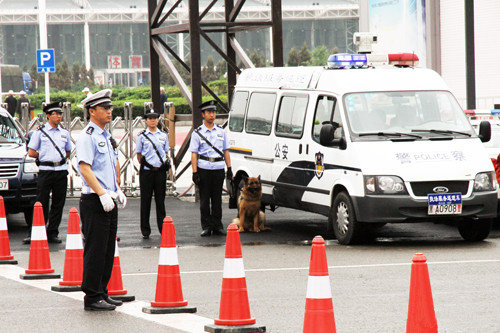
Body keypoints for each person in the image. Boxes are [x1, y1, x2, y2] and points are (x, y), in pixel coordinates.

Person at [76, 89, 127, 311]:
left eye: (110, 108)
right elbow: (85, 168)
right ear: (92, 111)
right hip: (95, 200)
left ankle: (102, 292)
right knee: (95, 249)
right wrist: (102, 193)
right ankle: (92, 296)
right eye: (105, 108)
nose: (109, 111)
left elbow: (109, 166)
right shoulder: (87, 136)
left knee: (107, 249)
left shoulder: (105, 135)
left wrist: (117, 190)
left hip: (109, 198)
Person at [24, 102, 72, 244]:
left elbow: (68, 151)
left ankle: (53, 232)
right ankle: (35, 232)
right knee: (41, 203)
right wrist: (44, 156)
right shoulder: (40, 132)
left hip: (61, 171)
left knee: (58, 203)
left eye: (60, 114)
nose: (59, 116)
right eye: (55, 114)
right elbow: (31, 152)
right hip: (45, 171)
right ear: (48, 116)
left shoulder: (65, 133)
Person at [189, 100, 232, 237]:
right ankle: (206, 226)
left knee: (217, 199)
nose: (212, 115)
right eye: (209, 112)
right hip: (204, 168)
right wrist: (194, 172)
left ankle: (217, 225)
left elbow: (226, 151)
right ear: (203, 114)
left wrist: (229, 168)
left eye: (213, 112)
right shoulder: (197, 133)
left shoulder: (221, 131)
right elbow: (194, 154)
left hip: (218, 168)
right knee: (204, 200)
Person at [135, 109, 169, 239]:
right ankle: (145, 230)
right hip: (147, 173)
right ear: (146, 120)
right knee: (146, 201)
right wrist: (147, 165)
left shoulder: (163, 135)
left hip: (160, 172)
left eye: (155, 118)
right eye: (150, 118)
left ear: (158, 119)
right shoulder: (142, 136)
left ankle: (163, 228)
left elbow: (165, 153)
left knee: (161, 201)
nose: (153, 120)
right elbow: (139, 155)